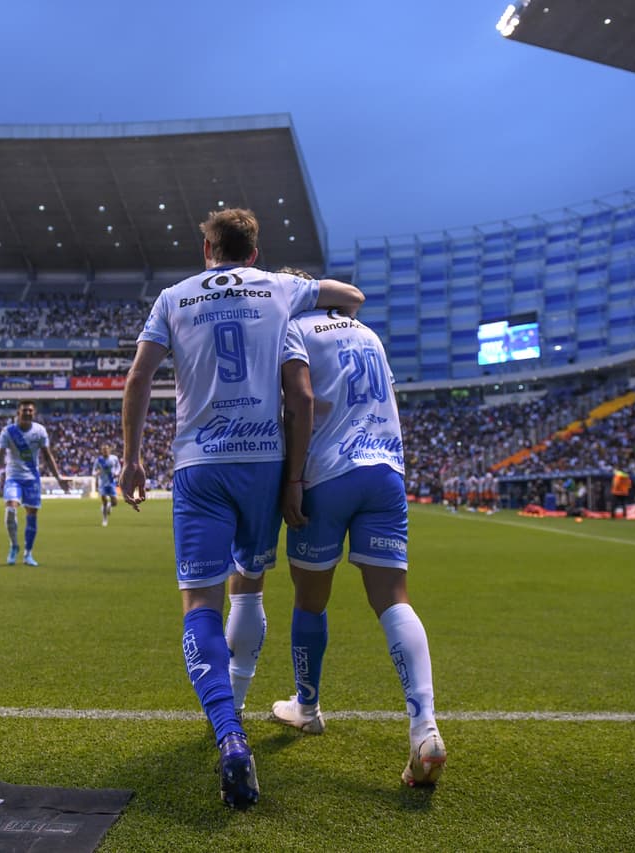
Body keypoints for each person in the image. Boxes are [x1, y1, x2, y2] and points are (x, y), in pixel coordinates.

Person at [119, 207, 364, 809]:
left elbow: (138, 378)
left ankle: (230, 734)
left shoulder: (174, 297)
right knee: (246, 589)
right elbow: (346, 298)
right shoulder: (281, 289)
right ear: (253, 253)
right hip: (264, 466)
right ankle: (241, 698)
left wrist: (130, 459)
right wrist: (334, 309)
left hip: (200, 464)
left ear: (207, 251)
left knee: (198, 601)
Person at [273, 304, 447, 788]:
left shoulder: (295, 328)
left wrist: (294, 477)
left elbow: (300, 400)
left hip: (328, 473)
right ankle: (425, 727)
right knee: (394, 598)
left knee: (310, 599)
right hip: (386, 473)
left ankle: (306, 707)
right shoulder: (366, 331)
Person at [0, 400, 62, 566]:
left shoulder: (40, 431)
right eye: (24, 410)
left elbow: (48, 456)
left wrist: (59, 478)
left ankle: (28, 553)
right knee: (11, 510)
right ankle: (14, 546)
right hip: (13, 477)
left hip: (32, 479)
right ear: (18, 413)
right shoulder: (8, 432)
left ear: (33, 413)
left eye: (30, 410)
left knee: (32, 516)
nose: (27, 413)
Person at [92, 444, 121, 527]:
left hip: (111, 482)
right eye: (103, 450)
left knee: (114, 503)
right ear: (102, 451)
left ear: (109, 450)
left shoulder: (114, 458)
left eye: (107, 449)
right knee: (104, 500)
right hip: (102, 483)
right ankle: (105, 519)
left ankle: (109, 505)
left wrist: (116, 473)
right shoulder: (98, 460)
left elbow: (118, 467)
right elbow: (93, 472)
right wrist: (97, 473)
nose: (105, 451)